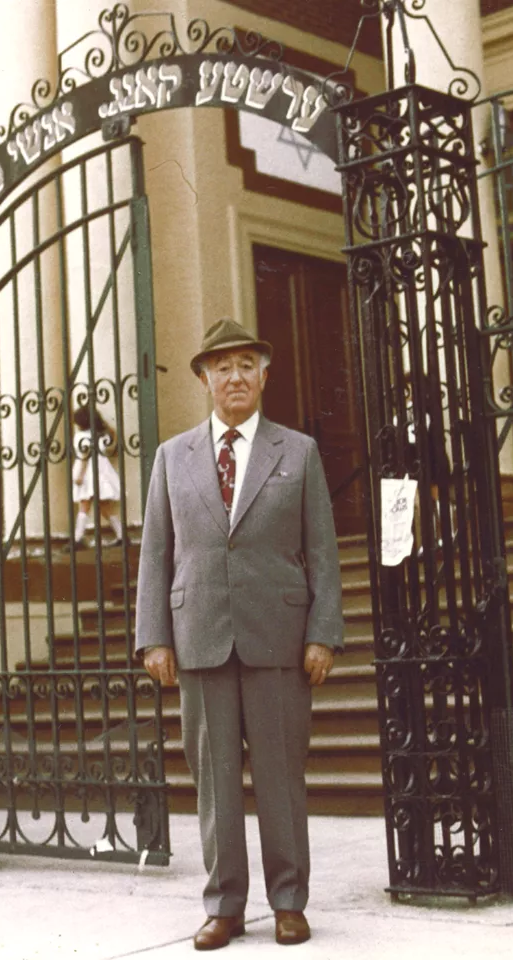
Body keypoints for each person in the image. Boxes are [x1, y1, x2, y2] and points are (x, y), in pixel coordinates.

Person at [135, 318, 343, 950]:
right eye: (221, 367)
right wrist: (154, 638)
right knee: (216, 783)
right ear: (203, 379)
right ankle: (224, 905)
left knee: (281, 776)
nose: (235, 377)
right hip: (198, 637)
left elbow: (323, 550)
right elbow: (155, 554)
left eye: (246, 365)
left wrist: (323, 633)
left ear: (264, 375)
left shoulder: (298, 451)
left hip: (279, 637)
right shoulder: (174, 457)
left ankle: (288, 901)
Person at [68, 405, 123, 549]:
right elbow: (112, 440)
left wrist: (80, 474)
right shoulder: (101, 434)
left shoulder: (80, 436)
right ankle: (122, 535)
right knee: (104, 507)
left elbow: (85, 455)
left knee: (84, 504)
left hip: (88, 472)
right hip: (101, 470)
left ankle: (78, 539)